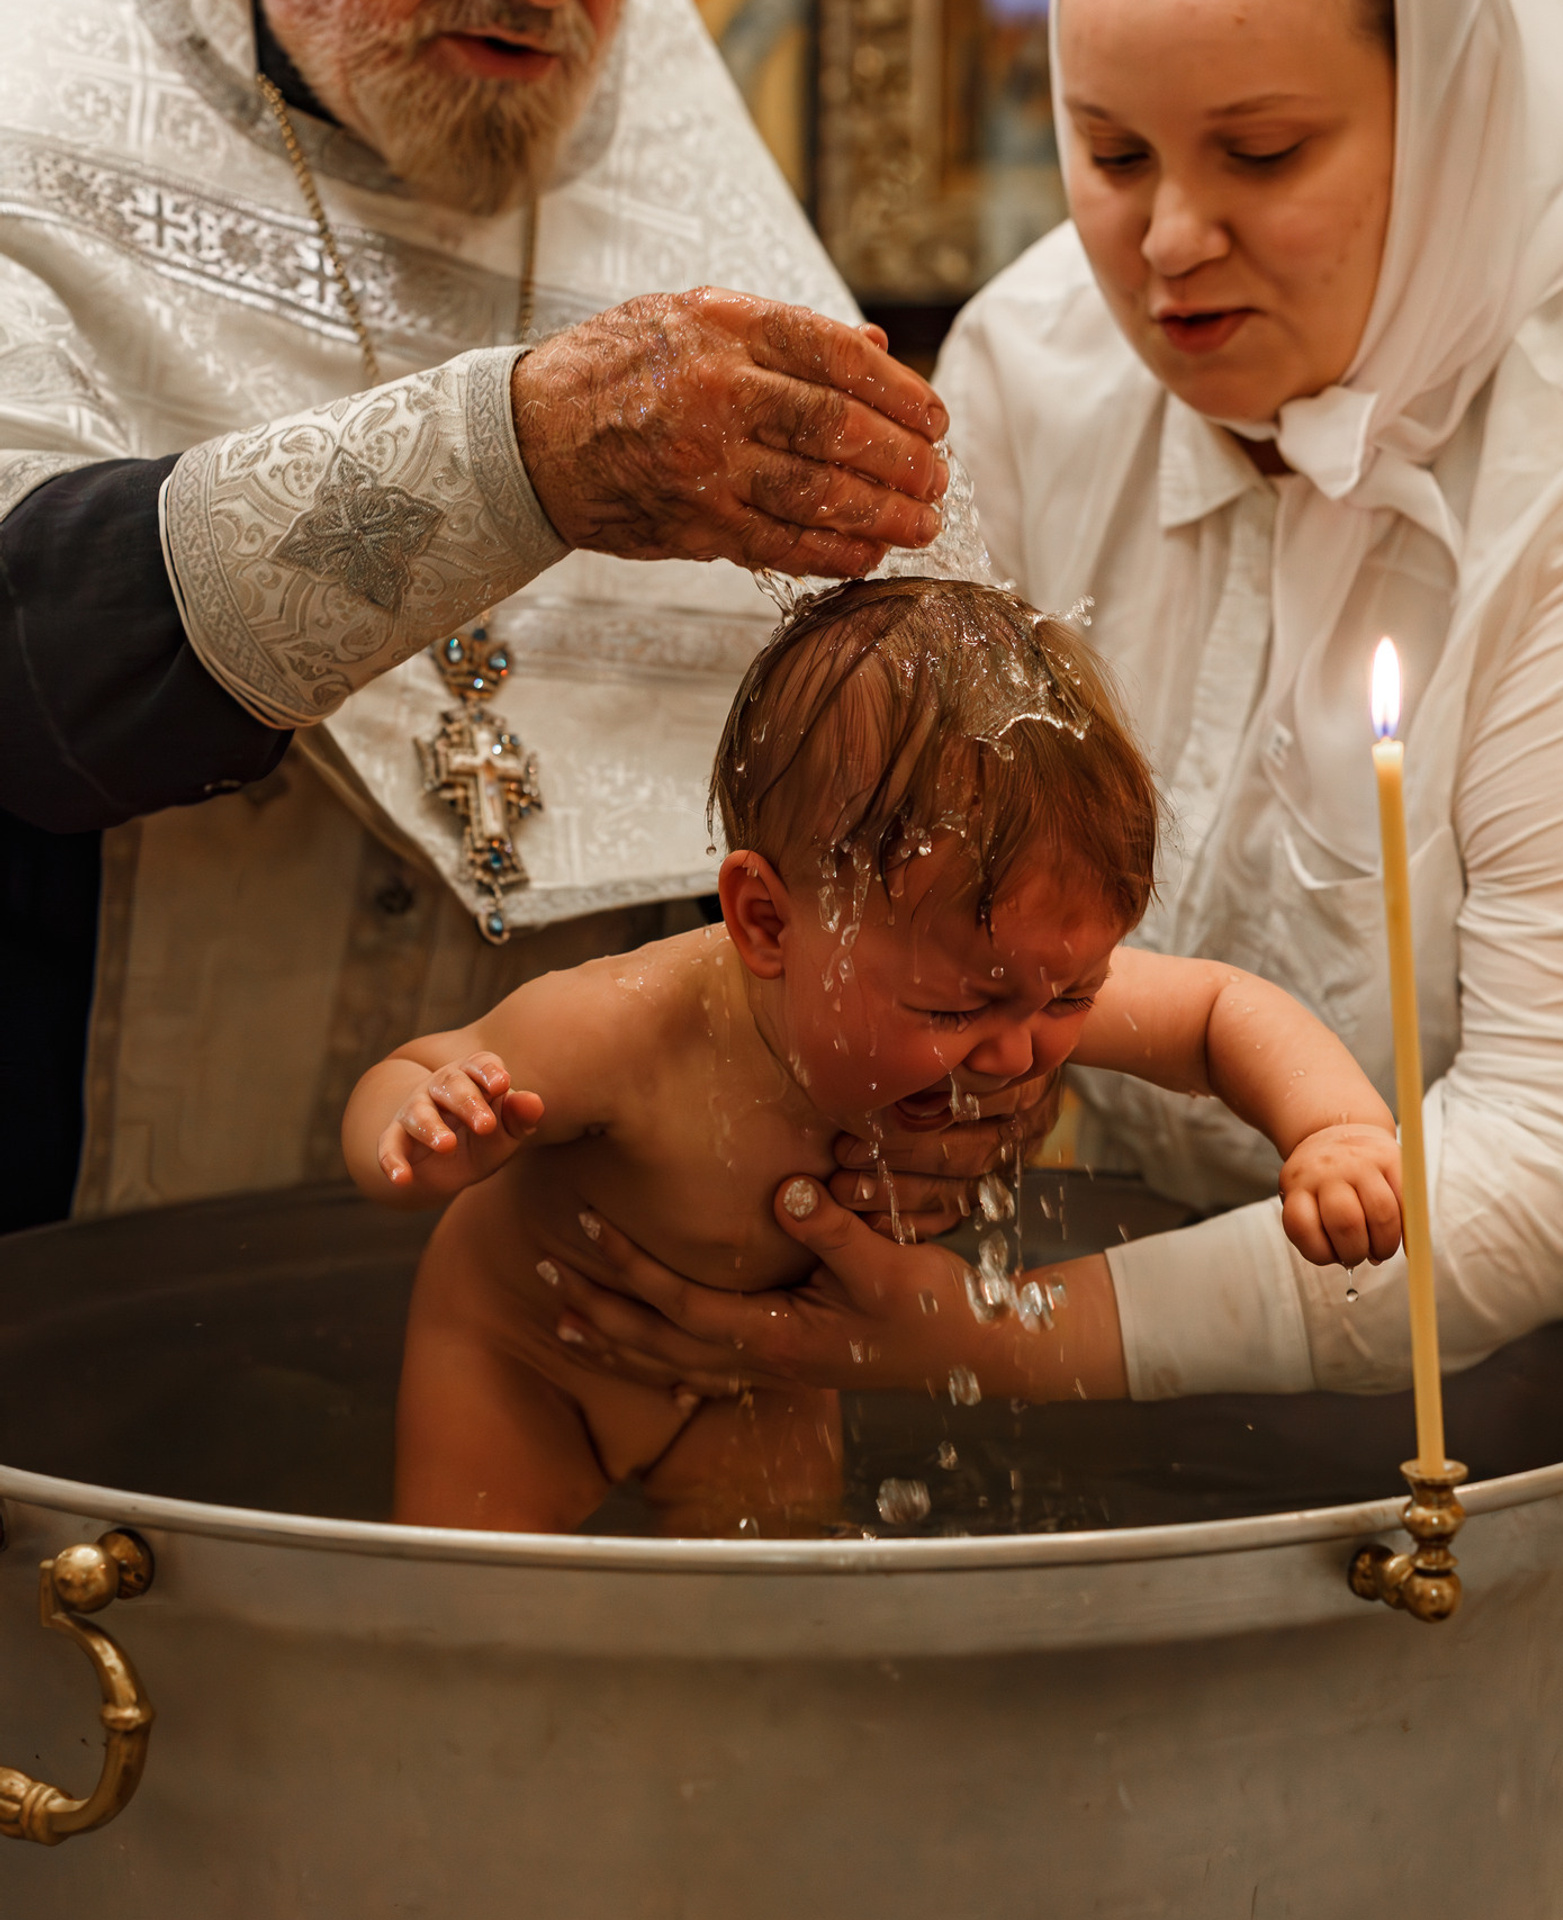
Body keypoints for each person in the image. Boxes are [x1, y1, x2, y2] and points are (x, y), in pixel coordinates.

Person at [529, 1, 1563, 1911]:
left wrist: (993, 1337)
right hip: (1166, 1461)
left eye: (1261, 157)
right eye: (1111, 155)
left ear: (1450, 105)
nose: (1168, 239)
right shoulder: (1040, 352)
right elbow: (935, 887)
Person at [0, 0, 958, 1232]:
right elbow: (31, 665)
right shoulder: (36, 105)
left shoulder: (672, 147)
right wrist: (516, 457)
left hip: (564, 1279)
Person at [343, 576, 1403, 1532]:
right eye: (955, 1011)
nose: (1021, 1052)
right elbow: (406, 1071)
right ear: (767, 922)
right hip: (532, 1357)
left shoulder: (1008, 976)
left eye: (1074, 994)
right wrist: (420, 1129)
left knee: (770, 1656)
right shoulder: (624, 1027)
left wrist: (1337, 1129)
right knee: (468, 1633)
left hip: (758, 1373)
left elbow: (1219, 1010)